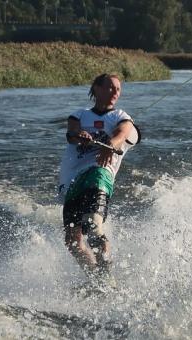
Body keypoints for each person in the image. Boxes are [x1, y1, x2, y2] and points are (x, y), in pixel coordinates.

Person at [58, 73, 140, 282]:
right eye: (111, 87)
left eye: (118, 89)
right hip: (73, 179)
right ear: (96, 88)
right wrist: (82, 136)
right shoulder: (79, 115)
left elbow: (122, 134)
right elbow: (72, 133)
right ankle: (95, 277)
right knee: (72, 240)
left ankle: (106, 278)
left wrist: (110, 146)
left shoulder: (121, 116)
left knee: (94, 226)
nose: (115, 93)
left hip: (100, 173)